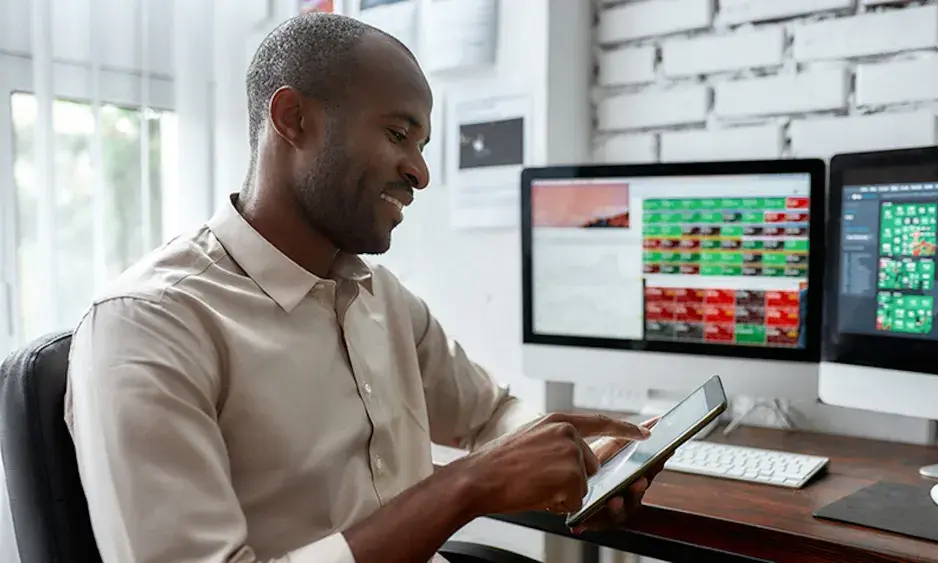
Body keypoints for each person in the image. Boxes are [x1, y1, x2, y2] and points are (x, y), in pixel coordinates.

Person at [65, 13, 663, 563]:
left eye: (423, 146)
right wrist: (466, 486)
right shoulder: (150, 324)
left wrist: (570, 459)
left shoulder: (383, 298)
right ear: (293, 119)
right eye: (398, 134)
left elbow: (492, 414)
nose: (421, 173)